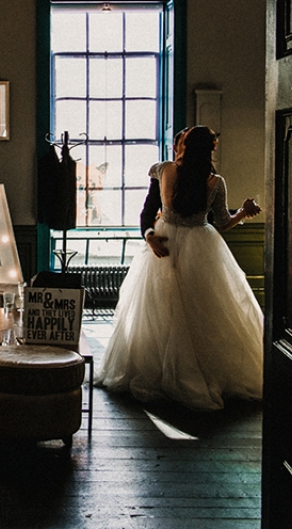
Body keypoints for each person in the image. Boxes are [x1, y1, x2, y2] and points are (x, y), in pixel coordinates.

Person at [96, 126, 264, 411]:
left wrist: (150, 235)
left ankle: (161, 373)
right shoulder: (215, 181)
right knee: (201, 312)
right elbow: (223, 223)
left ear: (183, 147)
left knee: (160, 311)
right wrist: (244, 213)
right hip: (202, 245)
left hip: (165, 241)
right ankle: (199, 372)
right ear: (210, 149)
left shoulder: (163, 170)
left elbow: (147, 211)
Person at [139, 127, 189, 258]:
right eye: (185, 143)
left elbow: (214, 214)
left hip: (197, 244)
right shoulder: (162, 174)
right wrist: (149, 235)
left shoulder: (209, 178)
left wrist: (241, 213)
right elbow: (149, 209)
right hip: (167, 241)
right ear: (175, 148)